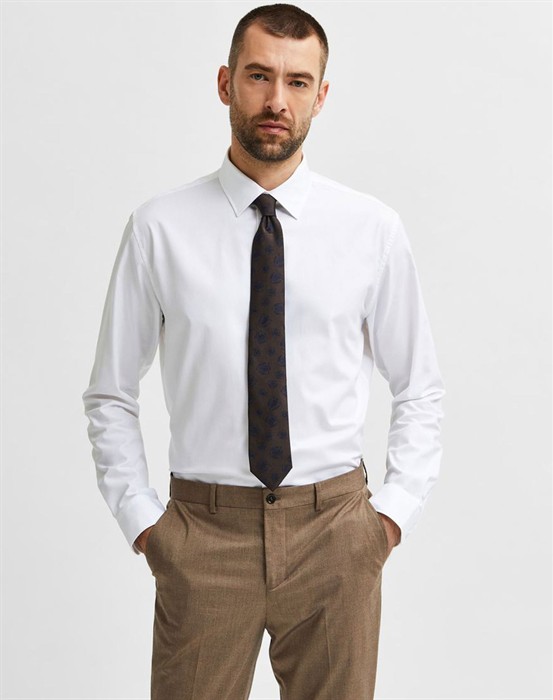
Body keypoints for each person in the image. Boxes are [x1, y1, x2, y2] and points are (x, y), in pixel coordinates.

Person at [82, 4, 445, 699]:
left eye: (297, 82)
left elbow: (419, 386)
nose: (277, 100)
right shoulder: (160, 229)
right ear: (226, 83)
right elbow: (110, 392)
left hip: (336, 533)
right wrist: (147, 524)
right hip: (203, 535)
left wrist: (388, 519)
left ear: (321, 95)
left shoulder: (370, 230)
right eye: (259, 76)